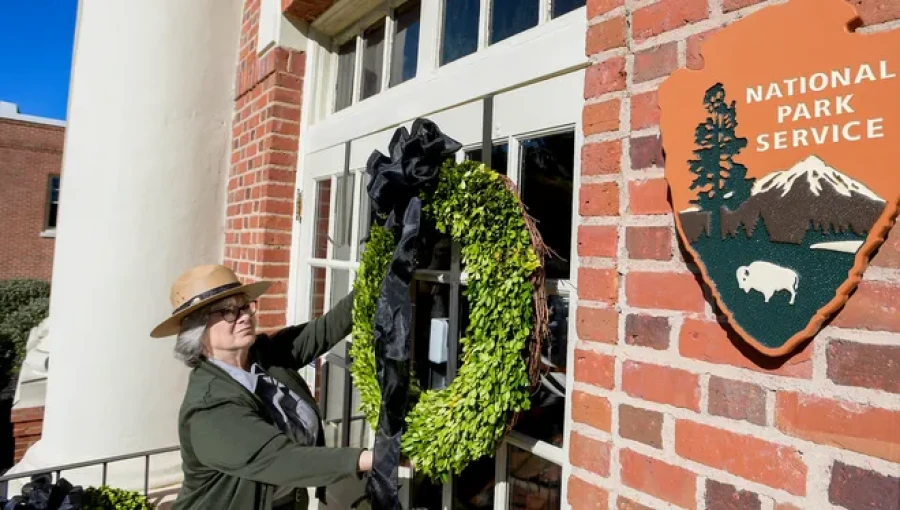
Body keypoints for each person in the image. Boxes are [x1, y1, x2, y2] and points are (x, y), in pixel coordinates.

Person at [150, 264, 372, 510]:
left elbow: (328, 328)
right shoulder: (210, 407)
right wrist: (369, 458)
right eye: (227, 312)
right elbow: (281, 459)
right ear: (197, 330)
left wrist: (378, 277)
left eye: (244, 306)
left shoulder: (264, 355)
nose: (244, 316)